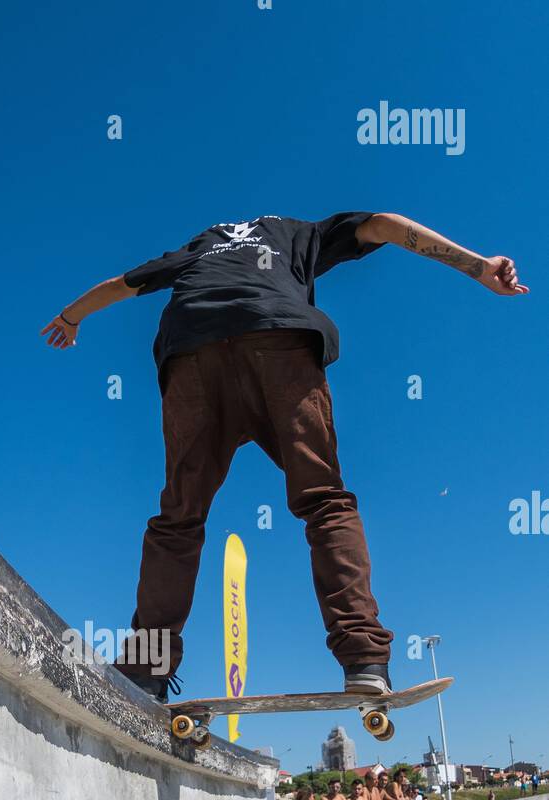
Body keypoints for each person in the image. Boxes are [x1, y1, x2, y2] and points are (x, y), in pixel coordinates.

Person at [43, 212, 527, 701]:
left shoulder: (193, 252)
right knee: (324, 501)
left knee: (179, 518)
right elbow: (382, 223)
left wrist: (70, 317)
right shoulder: (303, 234)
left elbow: (118, 286)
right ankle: (363, 659)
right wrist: (477, 266)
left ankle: (147, 667)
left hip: (193, 357)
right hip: (278, 342)